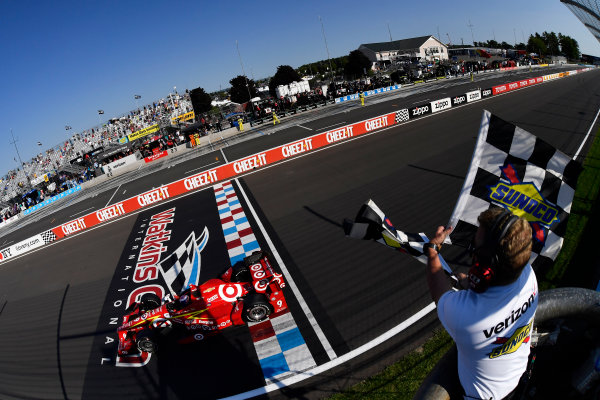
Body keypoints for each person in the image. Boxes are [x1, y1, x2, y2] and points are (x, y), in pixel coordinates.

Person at [424, 208, 538, 400]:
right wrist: (471, 282)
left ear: (487, 266)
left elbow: (439, 290)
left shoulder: (466, 317)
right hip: (518, 379)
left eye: (475, 247)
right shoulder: (528, 277)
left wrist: (433, 252)